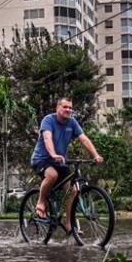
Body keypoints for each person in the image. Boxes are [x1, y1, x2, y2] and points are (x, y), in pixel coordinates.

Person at [30, 97, 103, 229]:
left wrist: (96, 155)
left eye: (70, 108)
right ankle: (41, 202)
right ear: (57, 108)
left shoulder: (72, 122)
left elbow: (84, 139)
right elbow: (47, 138)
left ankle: (69, 223)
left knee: (73, 191)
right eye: (65, 107)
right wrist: (53, 154)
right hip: (41, 159)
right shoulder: (48, 120)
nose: (68, 110)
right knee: (52, 175)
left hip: (59, 161)